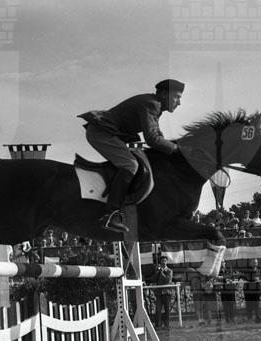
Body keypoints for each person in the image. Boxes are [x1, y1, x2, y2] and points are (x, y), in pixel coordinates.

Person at [79, 79, 185, 232]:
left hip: (110, 132)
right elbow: (152, 139)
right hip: (102, 133)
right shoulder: (151, 104)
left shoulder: (155, 105)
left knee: (139, 159)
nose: (179, 102)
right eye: (176, 97)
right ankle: (111, 214)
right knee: (130, 165)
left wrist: (175, 148)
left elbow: (157, 134)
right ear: (163, 94)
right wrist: (177, 150)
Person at [151, 255, 174, 329]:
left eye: (165, 260)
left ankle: (167, 324)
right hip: (159, 292)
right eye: (162, 261)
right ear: (160, 262)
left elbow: (167, 280)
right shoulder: (157, 271)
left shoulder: (169, 271)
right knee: (158, 309)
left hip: (167, 292)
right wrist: (157, 272)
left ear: (167, 262)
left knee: (167, 309)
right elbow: (154, 279)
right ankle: (158, 325)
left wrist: (161, 272)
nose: (164, 262)